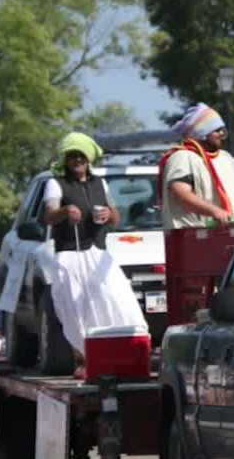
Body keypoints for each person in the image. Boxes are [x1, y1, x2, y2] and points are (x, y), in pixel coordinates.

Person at [42, 132, 147, 377]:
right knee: (75, 307)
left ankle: (122, 353)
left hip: (98, 254)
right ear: (66, 160)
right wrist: (65, 211)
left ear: (89, 159)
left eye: (81, 156)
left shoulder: (100, 183)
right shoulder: (55, 183)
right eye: (72, 157)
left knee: (116, 299)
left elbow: (116, 215)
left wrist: (108, 216)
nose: (77, 161)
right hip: (70, 254)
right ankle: (82, 360)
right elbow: (49, 215)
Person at [160, 103, 234, 228]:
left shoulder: (226, 158)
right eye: (217, 130)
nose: (222, 134)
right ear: (202, 133)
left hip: (226, 232)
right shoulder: (182, 157)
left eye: (223, 130)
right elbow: (181, 194)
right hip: (192, 237)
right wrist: (214, 211)